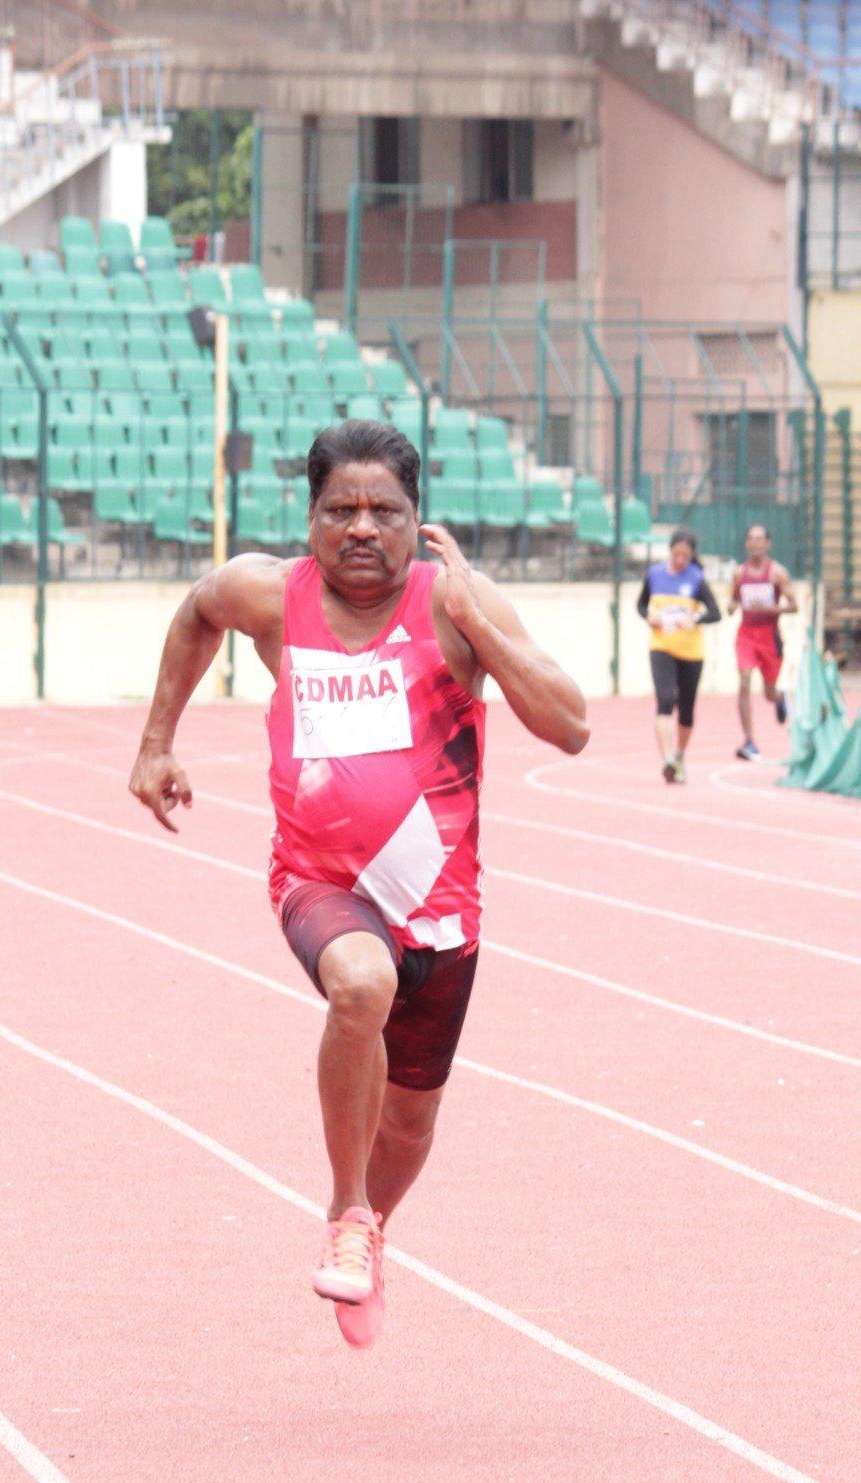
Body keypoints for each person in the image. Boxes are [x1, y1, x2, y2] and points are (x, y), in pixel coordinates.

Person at [128, 419, 588, 1349]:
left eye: (386, 510)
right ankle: (345, 1210)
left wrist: (477, 621)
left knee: (411, 1123)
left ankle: (371, 1229)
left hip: (441, 907)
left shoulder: (458, 601)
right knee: (359, 985)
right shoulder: (271, 596)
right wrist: (155, 742)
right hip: (320, 881)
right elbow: (196, 611)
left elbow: (569, 724)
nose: (363, 528)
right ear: (310, 520)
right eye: (341, 509)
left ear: (420, 521)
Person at [635, 526, 721, 784]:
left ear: (691, 555)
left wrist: (693, 618)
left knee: (685, 708)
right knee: (664, 698)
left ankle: (680, 755)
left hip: (691, 652)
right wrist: (648, 617)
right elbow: (640, 604)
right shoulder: (654, 575)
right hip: (661, 646)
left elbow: (716, 613)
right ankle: (667, 759)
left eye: (685, 555)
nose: (680, 559)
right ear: (670, 550)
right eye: (676, 553)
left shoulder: (696, 578)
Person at [728, 522, 798, 757]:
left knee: (768, 692)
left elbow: (794, 605)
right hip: (746, 635)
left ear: (767, 544)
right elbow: (734, 599)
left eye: (760, 539)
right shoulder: (739, 573)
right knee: (745, 681)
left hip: (770, 636)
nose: (756, 544)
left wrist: (769, 608)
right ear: (747, 543)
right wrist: (732, 605)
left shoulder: (777, 573)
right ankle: (749, 741)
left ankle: (779, 698)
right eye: (751, 539)